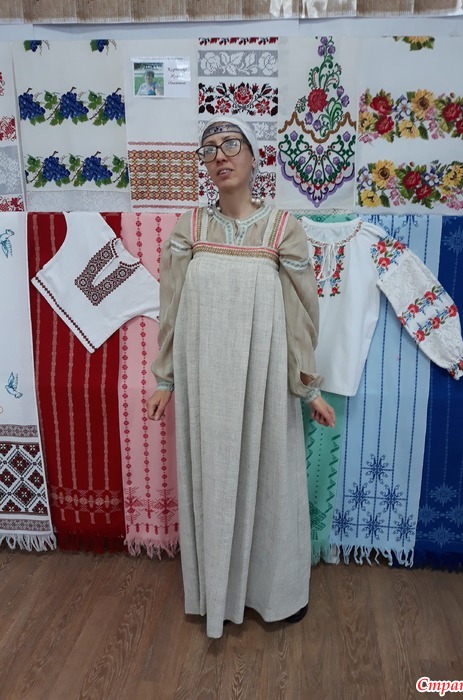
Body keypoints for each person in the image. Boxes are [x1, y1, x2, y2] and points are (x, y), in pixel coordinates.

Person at [146, 115, 335, 639]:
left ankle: (276, 594)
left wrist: (309, 386)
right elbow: (172, 307)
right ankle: (216, 594)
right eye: (209, 150)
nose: (220, 156)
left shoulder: (282, 229)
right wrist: (165, 379)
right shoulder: (190, 229)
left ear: (254, 157)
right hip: (205, 380)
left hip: (265, 381)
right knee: (213, 479)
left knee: (271, 477)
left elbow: (300, 313)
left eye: (231, 144)